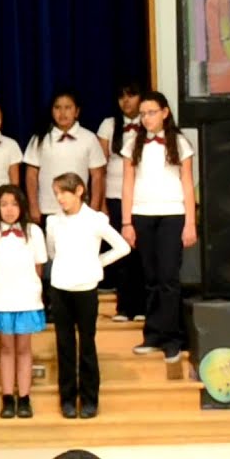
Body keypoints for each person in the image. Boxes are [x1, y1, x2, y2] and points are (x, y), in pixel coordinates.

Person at [46, 172, 130, 419]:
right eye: (57, 193)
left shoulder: (95, 219)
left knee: (87, 345)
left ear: (79, 190)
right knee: (64, 345)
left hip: (86, 287)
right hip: (60, 286)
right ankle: (68, 399)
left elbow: (122, 247)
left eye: (64, 192)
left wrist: (97, 263)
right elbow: (53, 251)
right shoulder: (53, 221)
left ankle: (90, 399)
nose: (60, 198)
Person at [121, 91, 196, 363]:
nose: (146, 118)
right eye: (142, 114)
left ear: (165, 112)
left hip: (172, 214)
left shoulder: (179, 142)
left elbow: (188, 183)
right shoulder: (132, 143)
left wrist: (190, 222)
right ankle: (152, 334)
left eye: (151, 112)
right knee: (150, 278)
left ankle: (173, 339)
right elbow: (127, 184)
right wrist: (127, 221)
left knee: (168, 278)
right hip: (142, 214)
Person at [0, 185, 47, 419]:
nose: (9, 209)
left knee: (25, 349)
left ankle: (25, 397)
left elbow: (39, 266)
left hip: (26, 297)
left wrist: (34, 290)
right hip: (0, 298)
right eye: (4, 204)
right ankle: (7, 397)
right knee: (6, 348)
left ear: (22, 206)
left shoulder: (34, 232)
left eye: (14, 204)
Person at [96, 81, 146, 322]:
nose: (126, 101)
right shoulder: (109, 125)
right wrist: (103, 202)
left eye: (131, 95)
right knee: (123, 252)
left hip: (144, 198)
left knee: (142, 253)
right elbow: (100, 165)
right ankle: (124, 307)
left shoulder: (150, 122)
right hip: (116, 196)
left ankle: (143, 307)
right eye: (121, 97)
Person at [23, 91, 107, 224]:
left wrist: (94, 208)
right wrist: (33, 206)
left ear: (77, 112)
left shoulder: (89, 138)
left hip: (79, 210)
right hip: (48, 209)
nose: (62, 113)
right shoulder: (40, 138)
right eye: (57, 108)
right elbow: (31, 175)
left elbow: (97, 176)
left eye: (68, 108)